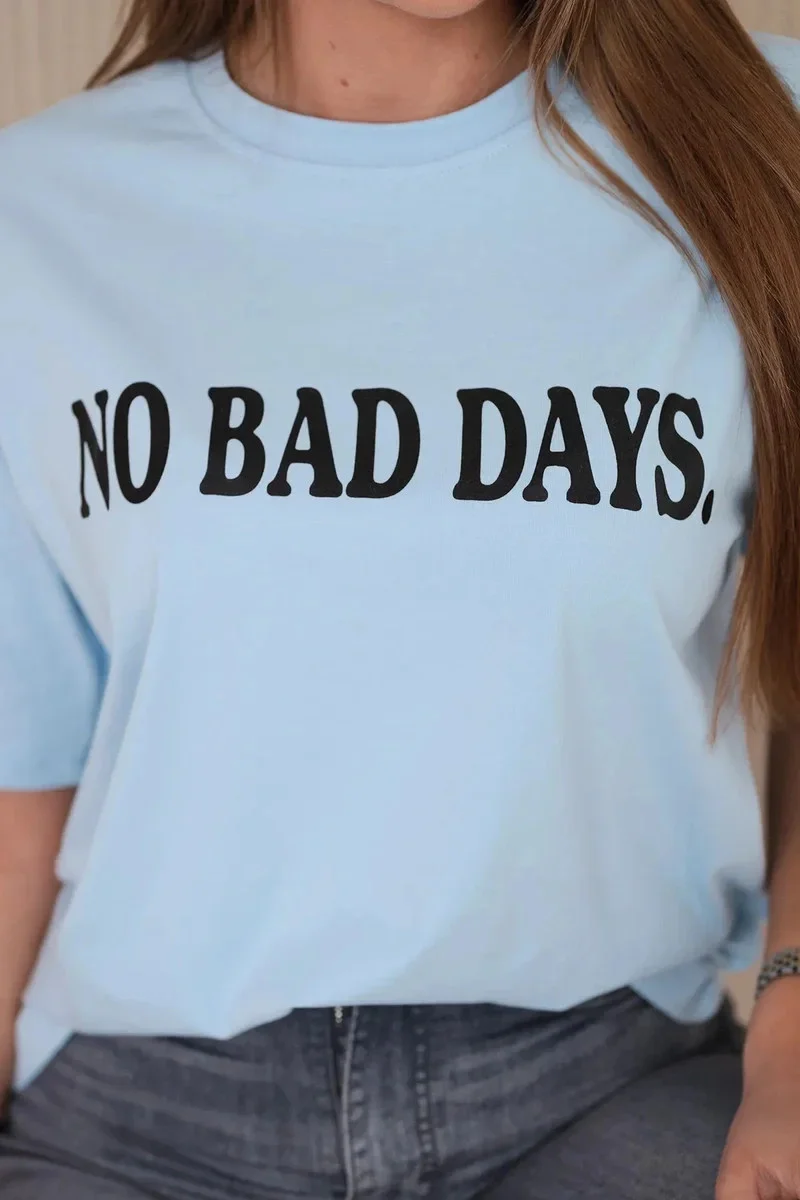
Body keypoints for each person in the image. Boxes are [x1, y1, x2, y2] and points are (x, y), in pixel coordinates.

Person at [0, 0, 800, 1195]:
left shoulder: (757, 134)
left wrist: (791, 1036)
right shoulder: (40, 212)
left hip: (599, 1094)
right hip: (140, 1124)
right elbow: (24, 761)